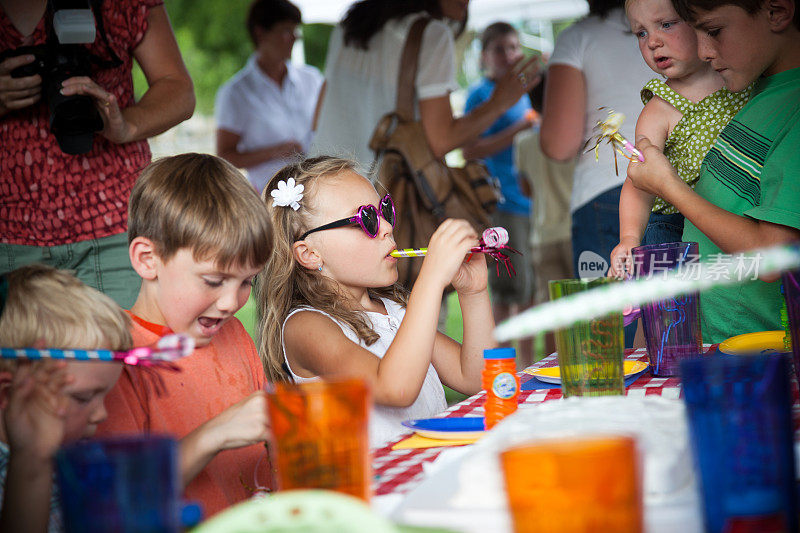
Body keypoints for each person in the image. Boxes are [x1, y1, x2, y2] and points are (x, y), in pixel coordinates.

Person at [257, 156, 496, 447]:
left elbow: (476, 379)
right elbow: (395, 388)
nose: (385, 227)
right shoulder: (305, 327)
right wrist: (431, 278)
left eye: (384, 211)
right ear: (310, 254)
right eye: (367, 220)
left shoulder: (394, 312)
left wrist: (473, 293)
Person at [96, 154, 273, 517]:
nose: (230, 303)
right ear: (148, 260)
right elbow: (120, 497)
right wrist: (215, 434)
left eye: (247, 282)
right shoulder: (117, 358)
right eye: (213, 281)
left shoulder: (234, 334)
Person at [0, 0, 195, 309]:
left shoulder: (121, 4)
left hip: (115, 228)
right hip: (7, 235)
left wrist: (126, 125)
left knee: (124, 354)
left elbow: (179, 89)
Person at [626, 0, 800, 343]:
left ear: (777, 12)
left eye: (714, 31)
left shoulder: (790, 107)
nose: (703, 50)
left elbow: (772, 257)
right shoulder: (753, 92)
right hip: (711, 343)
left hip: (754, 355)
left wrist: (669, 185)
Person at [310, 0, 539, 176]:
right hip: (381, 194)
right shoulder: (432, 33)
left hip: (326, 177)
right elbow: (440, 141)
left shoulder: (349, 27)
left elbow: (318, 114)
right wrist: (499, 103)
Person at [607, 0, 752, 277]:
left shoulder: (743, 80)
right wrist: (629, 239)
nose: (653, 42)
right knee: (678, 317)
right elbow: (638, 182)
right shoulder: (658, 110)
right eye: (641, 33)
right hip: (675, 233)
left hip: (737, 218)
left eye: (666, 24)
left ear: (700, 20)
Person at [0, 264, 132, 533]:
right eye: (84, 397)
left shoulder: (81, 455)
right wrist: (31, 460)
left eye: (105, 396)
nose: (101, 415)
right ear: (8, 393)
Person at [539, 0, 652, 281]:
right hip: (675, 185)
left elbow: (559, 143)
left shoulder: (577, 38)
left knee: (611, 321)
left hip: (605, 191)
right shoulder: (678, 27)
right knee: (677, 315)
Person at [462, 21, 540, 366]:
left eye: (513, 47)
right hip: (500, 203)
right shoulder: (480, 96)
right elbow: (470, 150)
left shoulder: (527, 92)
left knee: (530, 291)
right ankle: (507, 368)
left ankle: (527, 363)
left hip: (533, 202)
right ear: (483, 56)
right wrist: (519, 127)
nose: (508, 56)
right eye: (499, 49)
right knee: (507, 287)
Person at [215, 0, 323, 194]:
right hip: (271, 197)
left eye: (295, 30)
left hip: (319, 188)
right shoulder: (236, 93)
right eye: (286, 30)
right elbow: (225, 156)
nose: (294, 38)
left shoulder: (312, 79)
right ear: (260, 33)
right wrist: (275, 152)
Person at [514, 129, 575, 357]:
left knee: (552, 311)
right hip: (574, 227)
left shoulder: (523, 141)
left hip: (542, 234)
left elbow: (525, 189)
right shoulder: (576, 136)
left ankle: (556, 373)